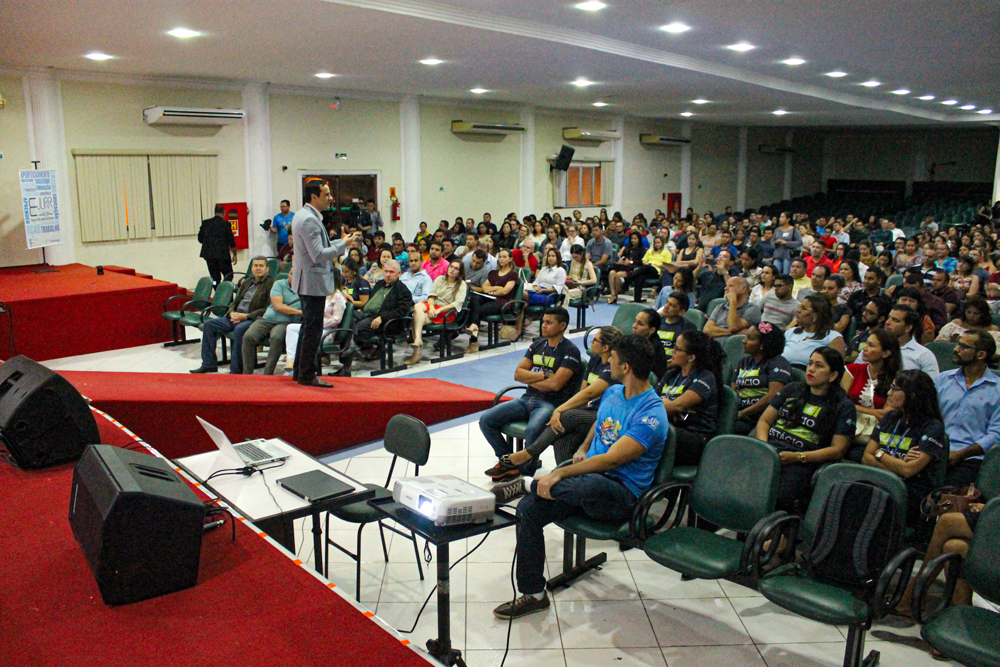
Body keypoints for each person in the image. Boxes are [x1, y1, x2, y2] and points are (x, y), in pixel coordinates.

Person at [492, 334, 667, 621]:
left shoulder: (652, 414)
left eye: (612, 358)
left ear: (625, 367)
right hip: (586, 485)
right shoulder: (613, 392)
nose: (606, 361)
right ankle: (534, 594)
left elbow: (611, 460)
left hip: (620, 493)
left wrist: (558, 472)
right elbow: (601, 424)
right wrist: (584, 447)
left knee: (578, 480)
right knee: (528, 510)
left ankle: (527, 484)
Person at [487, 326, 625, 494]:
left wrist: (559, 410)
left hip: (603, 416)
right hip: (584, 412)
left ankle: (527, 455)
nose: (591, 341)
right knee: (562, 441)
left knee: (567, 416)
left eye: (595, 339)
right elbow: (582, 392)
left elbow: (589, 393)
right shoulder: (595, 360)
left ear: (605, 348)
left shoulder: (613, 368)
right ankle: (569, 483)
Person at [481, 307, 582, 479]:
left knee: (533, 430)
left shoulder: (570, 351)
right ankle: (509, 462)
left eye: (549, 323)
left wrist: (531, 379)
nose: (544, 326)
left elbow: (556, 385)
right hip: (526, 398)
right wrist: (543, 375)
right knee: (486, 420)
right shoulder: (537, 345)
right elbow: (518, 374)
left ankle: (525, 473)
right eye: (543, 321)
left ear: (562, 325)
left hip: (550, 403)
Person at [756, 347, 856, 512]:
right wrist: (763, 447)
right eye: (810, 363)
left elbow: (837, 450)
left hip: (802, 461)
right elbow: (765, 420)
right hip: (769, 451)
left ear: (833, 375)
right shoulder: (792, 389)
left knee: (776, 495)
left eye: (819, 366)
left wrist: (797, 457)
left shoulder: (844, 406)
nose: (811, 369)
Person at [289, 183, 355, 387]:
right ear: (313, 196)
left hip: (307, 279)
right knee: (313, 329)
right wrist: (343, 245)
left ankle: (299, 370)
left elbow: (321, 248)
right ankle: (307, 374)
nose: (330, 198)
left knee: (308, 327)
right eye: (326, 194)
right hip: (312, 281)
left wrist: (341, 242)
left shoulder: (303, 215)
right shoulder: (310, 220)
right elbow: (318, 255)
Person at [861, 370, 947, 526]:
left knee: (868, 502)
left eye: (894, 389)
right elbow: (866, 456)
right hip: (882, 481)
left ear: (913, 394)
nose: (889, 393)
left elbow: (908, 471)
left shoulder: (932, 428)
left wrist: (880, 454)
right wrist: (896, 464)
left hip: (910, 491)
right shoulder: (890, 417)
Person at [934, 330, 1000, 486]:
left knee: (945, 491)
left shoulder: (997, 389)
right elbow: (927, 416)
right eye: (958, 344)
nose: (956, 349)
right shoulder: (942, 380)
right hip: (934, 450)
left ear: (981, 354)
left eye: (963, 346)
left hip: (972, 458)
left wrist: (961, 454)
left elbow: (996, 435)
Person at [191, 256, 274, 374]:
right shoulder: (246, 282)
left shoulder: (271, 284)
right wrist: (231, 312)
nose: (258, 268)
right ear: (252, 268)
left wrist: (247, 316)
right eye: (255, 266)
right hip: (235, 316)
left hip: (252, 319)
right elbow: (234, 302)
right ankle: (209, 364)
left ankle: (235, 370)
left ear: (267, 269)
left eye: (261, 266)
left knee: (240, 330)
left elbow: (268, 308)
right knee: (209, 325)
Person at [657, 330, 723, 466]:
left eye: (677, 349)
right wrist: (666, 406)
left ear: (691, 357)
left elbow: (678, 406)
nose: (672, 352)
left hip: (695, 438)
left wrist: (669, 407)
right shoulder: (671, 375)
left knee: (649, 429)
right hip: (672, 428)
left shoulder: (706, 377)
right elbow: (650, 401)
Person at [283, 271, 347, 376]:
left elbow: (336, 319)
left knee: (306, 335)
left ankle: (295, 369)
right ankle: (291, 360)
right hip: (314, 327)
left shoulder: (337, 297)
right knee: (291, 328)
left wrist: (318, 323)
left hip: (327, 331)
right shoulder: (321, 295)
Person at [732, 322, 791, 434]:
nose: (743, 341)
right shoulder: (744, 362)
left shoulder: (778, 363)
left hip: (760, 418)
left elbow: (774, 395)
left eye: (750, 338)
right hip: (738, 414)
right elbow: (733, 389)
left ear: (762, 344)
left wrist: (743, 413)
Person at [241, 267, 302, 375]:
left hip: (286, 322)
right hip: (267, 319)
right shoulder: (279, 284)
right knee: (248, 337)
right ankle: (247, 373)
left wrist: (293, 312)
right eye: (291, 274)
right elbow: (278, 306)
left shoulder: (305, 289)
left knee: (276, 338)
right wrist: (299, 311)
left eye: (296, 274)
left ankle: (267, 374)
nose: (293, 277)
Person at [405, 261, 467, 365]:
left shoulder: (461, 284)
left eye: (456, 268)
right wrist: (432, 307)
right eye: (451, 266)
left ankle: (417, 352)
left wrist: (439, 310)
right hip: (434, 307)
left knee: (416, 317)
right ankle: (418, 339)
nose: (452, 269)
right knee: (417, 307)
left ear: (460, 272)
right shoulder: (440, 279)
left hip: (447, 311)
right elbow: (432, 295)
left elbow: (458, 302)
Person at [467, 249, 519, 352]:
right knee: (474, 299)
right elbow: (485, 288)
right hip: (489, 297)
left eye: (504, 257)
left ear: (510, 259)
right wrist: (497, 288)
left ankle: (473, 339)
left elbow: (505, 291)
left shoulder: (512, 274)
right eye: (500, 257)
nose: (501, 259)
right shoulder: (493, 273)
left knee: (477, 310)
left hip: (502, 302)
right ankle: (474, 329)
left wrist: (493, 289)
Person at [782, 295, 846, 366]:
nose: (798, 310)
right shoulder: (790, 332)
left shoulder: (833, 337)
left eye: (804, 308)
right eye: (799, 306)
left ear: (816, 315)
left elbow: (836, 367)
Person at [885, 304, 939, 376]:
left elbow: (932, 385)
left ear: (908, 328)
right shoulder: (874, 347)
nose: (887, 322)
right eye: (888, 318)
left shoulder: (924, 355)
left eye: (895, 320)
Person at [936, 294, 1000, 348]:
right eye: (968, 312)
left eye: (976, 314)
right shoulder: (954, 325)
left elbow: (997, 354)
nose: (971, 316)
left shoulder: (993, 330)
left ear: (983, 314)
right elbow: (938, 346)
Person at [198, 203, 237, 288]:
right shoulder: (225, 224)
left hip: (209, 256)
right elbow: (231, 241)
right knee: (228, 275)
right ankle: (225, 292)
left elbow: (200, 239)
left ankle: (217, 292)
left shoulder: (205, 223)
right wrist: (234, 254)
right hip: (223, 255)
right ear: (224, 213)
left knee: (215, 278)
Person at [607, 232, 646, 304]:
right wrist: (621, 261)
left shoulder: (642, 249)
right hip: (623, 266)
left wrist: (630, 262)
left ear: (639, 239)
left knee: (618, 275)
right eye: (632, 239)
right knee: (612, 273)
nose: (633, 240)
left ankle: (617, 293)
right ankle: (613, 294)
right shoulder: (627, 248)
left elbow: (641, 262)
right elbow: (623, 257)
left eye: (635, 239)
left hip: (633, 268)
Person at [656, 292, 696, 360]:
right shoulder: (656, 321)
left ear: (681, 312)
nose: (666, 306)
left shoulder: (688, 328)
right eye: (667, 302)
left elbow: (683, 357)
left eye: (671, 305)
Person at [633, 308, 669, 382]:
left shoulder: (652, 350)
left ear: (652, 330)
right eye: (635, 321)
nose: (634, 326)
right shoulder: (637, 342)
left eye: (640, 324)